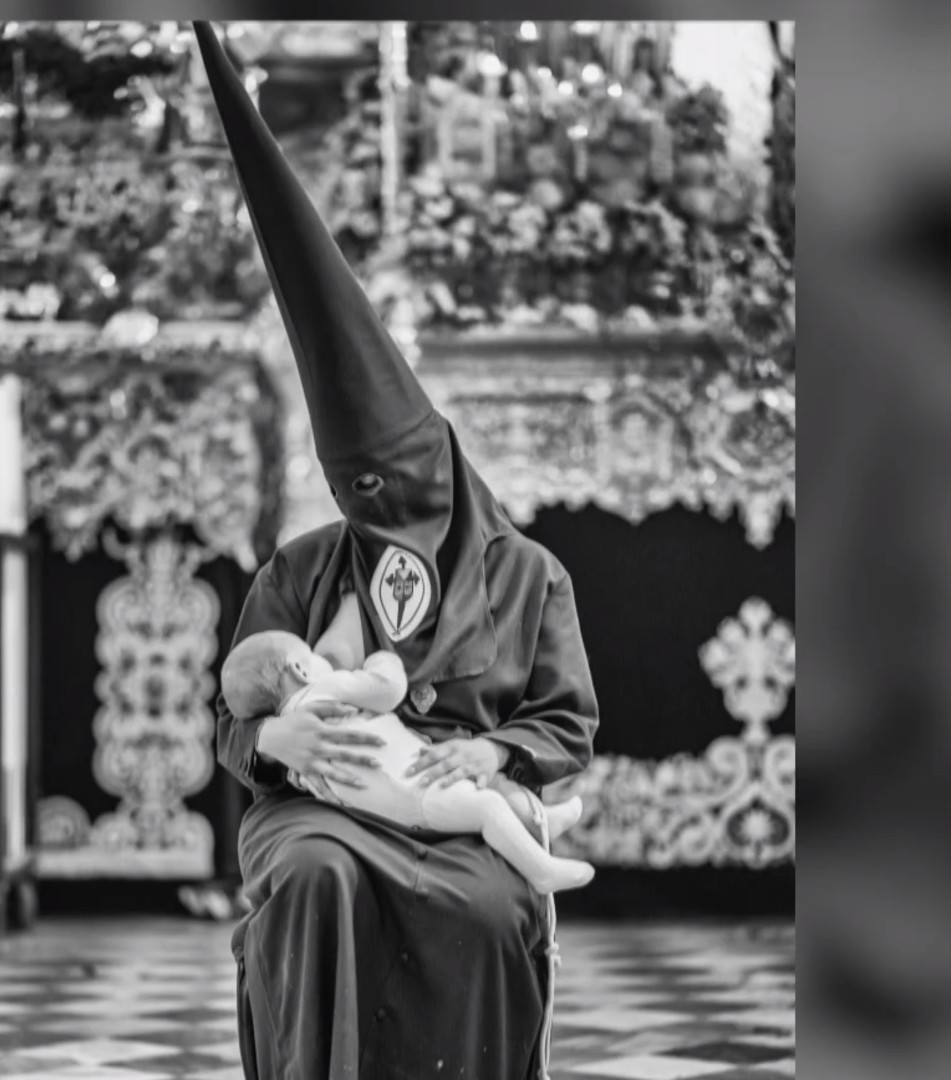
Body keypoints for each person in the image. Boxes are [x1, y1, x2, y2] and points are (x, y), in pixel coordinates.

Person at [194, 22, 600, 1080]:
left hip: (456, 814)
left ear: (443, 462)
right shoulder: (297, 571)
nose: (376, 505)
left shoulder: (527, 576)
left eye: (395, 480)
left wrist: (494, 754)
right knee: (314, 881)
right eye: (354, 489)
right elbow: (227, 719)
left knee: (487, 911)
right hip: (316, 809)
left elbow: (566, 721)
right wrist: (275, 741)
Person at [220, 614, 592, 894]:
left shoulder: (295, 728)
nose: (324, 661)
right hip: (413, 789)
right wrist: (382, 659)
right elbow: (388, 689)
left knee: (482, 788)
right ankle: (541, 870)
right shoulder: (326, 689)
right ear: (301, 669)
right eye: (314, 656)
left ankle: (540, 820)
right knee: (487, 807)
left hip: (377, 803)